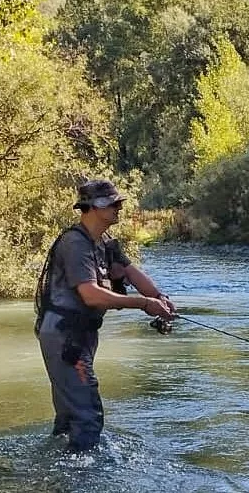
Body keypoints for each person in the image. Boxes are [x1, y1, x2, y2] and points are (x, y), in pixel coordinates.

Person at [34, 179, 176, 452]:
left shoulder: (105, 242)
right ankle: (82, 473)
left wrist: (160, 297)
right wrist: (144, 304)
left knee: (70, 418)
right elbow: (91, 295)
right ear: (93, 207)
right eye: (113, 203)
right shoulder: (75, 244)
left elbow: (130, 272)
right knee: (88, 417)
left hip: (79, 334)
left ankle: (58, 465)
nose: (118, 207)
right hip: (66, 336)